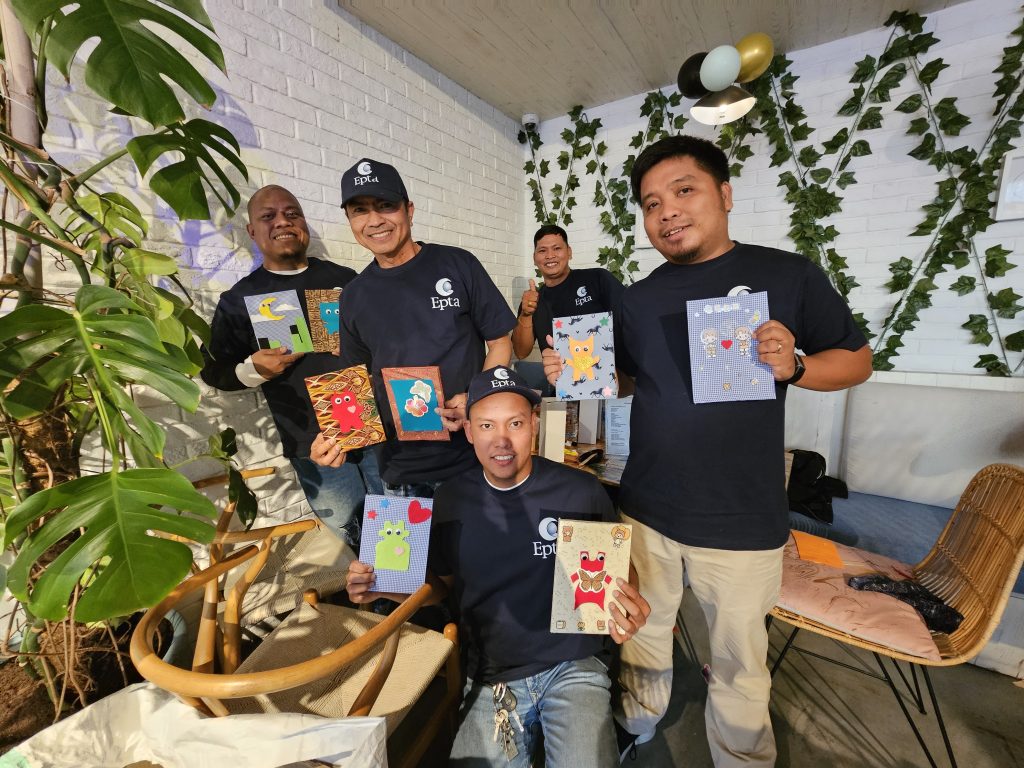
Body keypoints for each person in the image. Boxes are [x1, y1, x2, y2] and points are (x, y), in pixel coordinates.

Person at [543, 135, 872, 766]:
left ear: (724, 193)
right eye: (651, 203)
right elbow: (631, 380)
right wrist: (577, 371)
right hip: (646, 509)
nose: (666, 212)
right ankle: (635, 727)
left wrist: (796, 365)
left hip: (743, 519)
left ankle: (742, 758)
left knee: (740, 663)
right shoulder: (636, 296)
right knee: (638, 633)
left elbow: (856, 361)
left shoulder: (787, 274)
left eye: (683, 191)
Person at [345, 366, 651, 767]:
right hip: (494, 673)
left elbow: (618, 569)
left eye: (516, 423)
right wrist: (383, 586)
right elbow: (441, 589)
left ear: (534, 426)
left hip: (572, 663)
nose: (502, 440)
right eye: (487, 425)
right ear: (469, 431)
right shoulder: (451, 502)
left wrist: (628, 605)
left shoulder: (579, 490)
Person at [310, 158, 515, 498]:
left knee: (478, 551)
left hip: (474, 456)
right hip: (401, 473)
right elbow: (357, 384)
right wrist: (338, 439)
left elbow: (500, 342)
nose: (374, 221)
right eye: (360, 210)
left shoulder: (457, 264)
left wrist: (477, 399)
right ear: (350, 220)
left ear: (409, 209)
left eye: (385, 206)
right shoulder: (352, 296)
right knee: (409, 552)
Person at [201, 185, 381, 544]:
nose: (282, 221)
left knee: (399, 522)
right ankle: (382, 598)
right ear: (252, 231)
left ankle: (413, 595)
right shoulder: (239, 299)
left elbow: (383, 340)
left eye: (292, 213)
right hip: (312, 443)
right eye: (268, 216)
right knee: (355, 533)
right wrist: (251, 369)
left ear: (304, 223)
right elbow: (214, 370)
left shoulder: (346, 279)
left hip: (373, 428)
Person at [511, 224, 625, 360]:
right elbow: (520, 352)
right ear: (534, 258)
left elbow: (630, 322)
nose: (550, 255)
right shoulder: (532, 301)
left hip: (612, 375)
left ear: (569, 252)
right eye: (542, 251)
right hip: (561, 378)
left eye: (557, 248)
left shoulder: (597, 279)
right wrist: (525, 314)